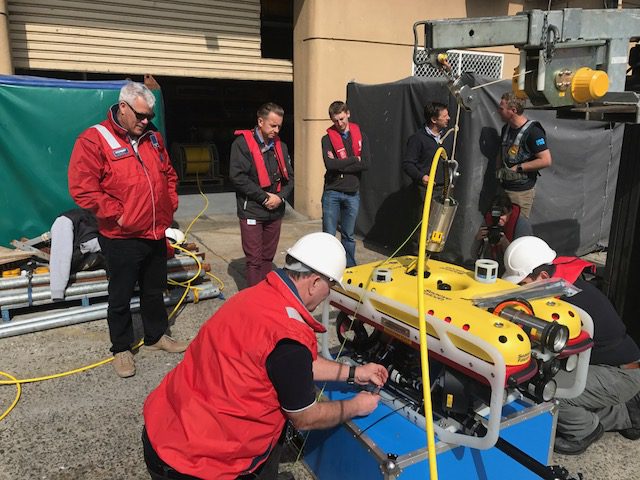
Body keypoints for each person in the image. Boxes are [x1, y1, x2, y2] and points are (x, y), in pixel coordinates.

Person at [142, 232, 389, 480]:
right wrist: (357, 405)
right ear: (315, 282)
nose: (328, 295)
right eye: (330, 286)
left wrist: (355, 373)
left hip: (166, 426)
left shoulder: (257, 296)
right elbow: (305, 417)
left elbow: (296, 365)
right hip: (198, 463)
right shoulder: (289, 336)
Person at [68, 81, 186, 379]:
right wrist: (118, 215)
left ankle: (156, 336)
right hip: (120, 236)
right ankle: (121, 348)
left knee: (153, 288)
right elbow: (83, 188)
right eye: (141, 116)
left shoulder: (153, 139)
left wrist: (169, 204)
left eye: (150, 116)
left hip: (155, 231)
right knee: (120, 295)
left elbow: (169, 174)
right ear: (123, 107)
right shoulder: (95, 139)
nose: (146, 122)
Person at [502, 236, 640, 455]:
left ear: (544, 276)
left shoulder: (569, 305)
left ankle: (585, 430)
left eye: (522, 283)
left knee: (546, 388)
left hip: (620, 374)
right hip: (612, 367)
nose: (518, 290)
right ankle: (627, 413)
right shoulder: (562, 284)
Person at [230, 102, 294, 288]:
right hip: (252, 210)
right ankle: (252, 298)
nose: (276, 129)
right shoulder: (241, 145)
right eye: (272, 125)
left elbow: (290, 177)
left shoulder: (280, 146)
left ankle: (265, 295)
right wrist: (265, 198)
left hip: (275, 210)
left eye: (279, 126)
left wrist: (280, 197)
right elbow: (238, 177)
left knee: (268, 257)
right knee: (254, 260)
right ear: (260, 121)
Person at [321, 101, 370, 267]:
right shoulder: (326, 139)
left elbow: (366, 164)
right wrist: (354, 159)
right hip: (332, 191)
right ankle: (327, 267)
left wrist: (342, 165)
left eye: (342, 119)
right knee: (328, 234)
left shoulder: (361, 136)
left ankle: (349, 266)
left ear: (347, 114)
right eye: (335, 121)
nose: (339, 124)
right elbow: (330, 165)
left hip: (352, 192)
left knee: (348, 234)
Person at [496, 92, 552, 218]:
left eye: (501, 108)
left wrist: (518, 168)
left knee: (516, 231)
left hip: (521, 192)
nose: (498, 111)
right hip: (503, 188)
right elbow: (501, 151)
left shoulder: (534, 132)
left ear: (513, 110)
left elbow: (546, 160)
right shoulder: (506, 129)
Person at [49, 208, 104, 301]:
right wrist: (57, 292)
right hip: (79, 257)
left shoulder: (100, 216)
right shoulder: (65, 221)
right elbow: (60, 257)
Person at [472, 193, 532, 269]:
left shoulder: (522, 226)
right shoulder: (487, 222)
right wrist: (477, 240)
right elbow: (473, 255)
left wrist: (505, 244)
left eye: (503, 214)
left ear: (510, 211)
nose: (499, 219)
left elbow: (521, 261)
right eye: (497, 215)